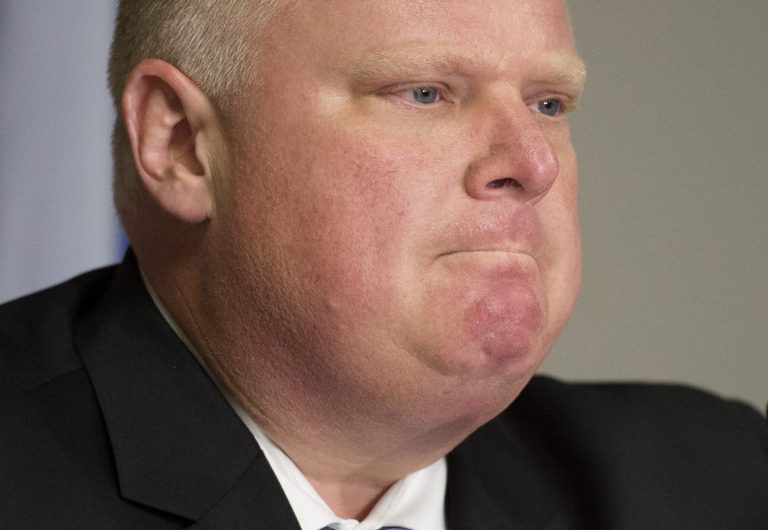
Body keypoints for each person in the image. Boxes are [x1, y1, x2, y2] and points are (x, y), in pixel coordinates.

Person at [1, 0, 766, 528]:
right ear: (182, 145)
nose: (533, 164)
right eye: (426, 92)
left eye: (548, 104)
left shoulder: (717, 479)